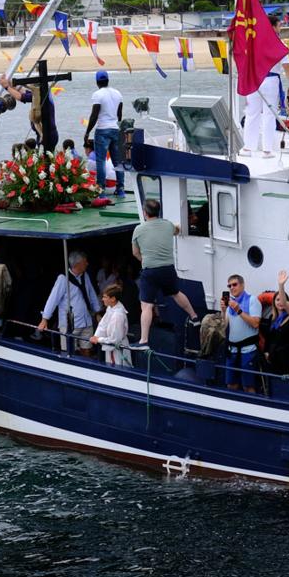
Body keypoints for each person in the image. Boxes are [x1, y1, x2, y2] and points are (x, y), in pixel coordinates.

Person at [130, 198, 197, 349]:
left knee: (146, 306)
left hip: (150, 271)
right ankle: (194, 316)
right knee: (175, 293)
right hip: (168, 268)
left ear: (145, 213)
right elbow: (178, 230)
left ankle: (144, 341)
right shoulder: (168, 225)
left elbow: (135, 253)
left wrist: (143, 260)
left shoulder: (138, 230)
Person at [39, 251, 101, 356]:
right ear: (77, 265)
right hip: (70, 325)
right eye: (85, 262)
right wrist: (44, 319)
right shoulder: (63, 279)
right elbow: (53, 299)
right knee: (70, 353)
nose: (87, 264)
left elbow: (91, 295)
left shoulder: (85, 276)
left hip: (86, 321)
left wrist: (97, 312)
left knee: (87, 350)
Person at [83, 70, 125, 198]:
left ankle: (101, 190)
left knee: (100, 161)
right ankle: (121, 189)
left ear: (97, 82)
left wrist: (87, 132)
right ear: (108, 80)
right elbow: (119, 116)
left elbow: (94, 114)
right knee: (118, 161)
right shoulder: (118, 94)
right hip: (115, 129)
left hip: (102, 130)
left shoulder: (97, 95)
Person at [223, 274, 262, 393]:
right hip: (232, 350)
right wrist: (223, 310)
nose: (231, 288)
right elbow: (224, 326)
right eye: (229, 286)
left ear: (242, 285)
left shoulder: (252, 300)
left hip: (248, 350)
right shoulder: (230, 303)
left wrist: (238, 310)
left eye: (234, 284)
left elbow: (255, 323)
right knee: (231, 385)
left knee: (248, 386)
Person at [91, 284, 133, 367]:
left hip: (117, 350)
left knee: (119, 371)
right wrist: (96, 336)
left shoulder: (118, 315)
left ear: (113, 299)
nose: (102, 299)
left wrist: (99, 339)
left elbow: (115, 340)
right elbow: (103, 324)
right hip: (110, 347)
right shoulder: (111, 307)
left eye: (105, 297)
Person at [263, 290, 289, 376]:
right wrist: (266, 352)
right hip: (272, 358)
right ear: (274, 302)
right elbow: (268, 338)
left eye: (282, 300)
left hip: (287, 359)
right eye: (277, 300)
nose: (280, 302)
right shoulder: (272, 318)